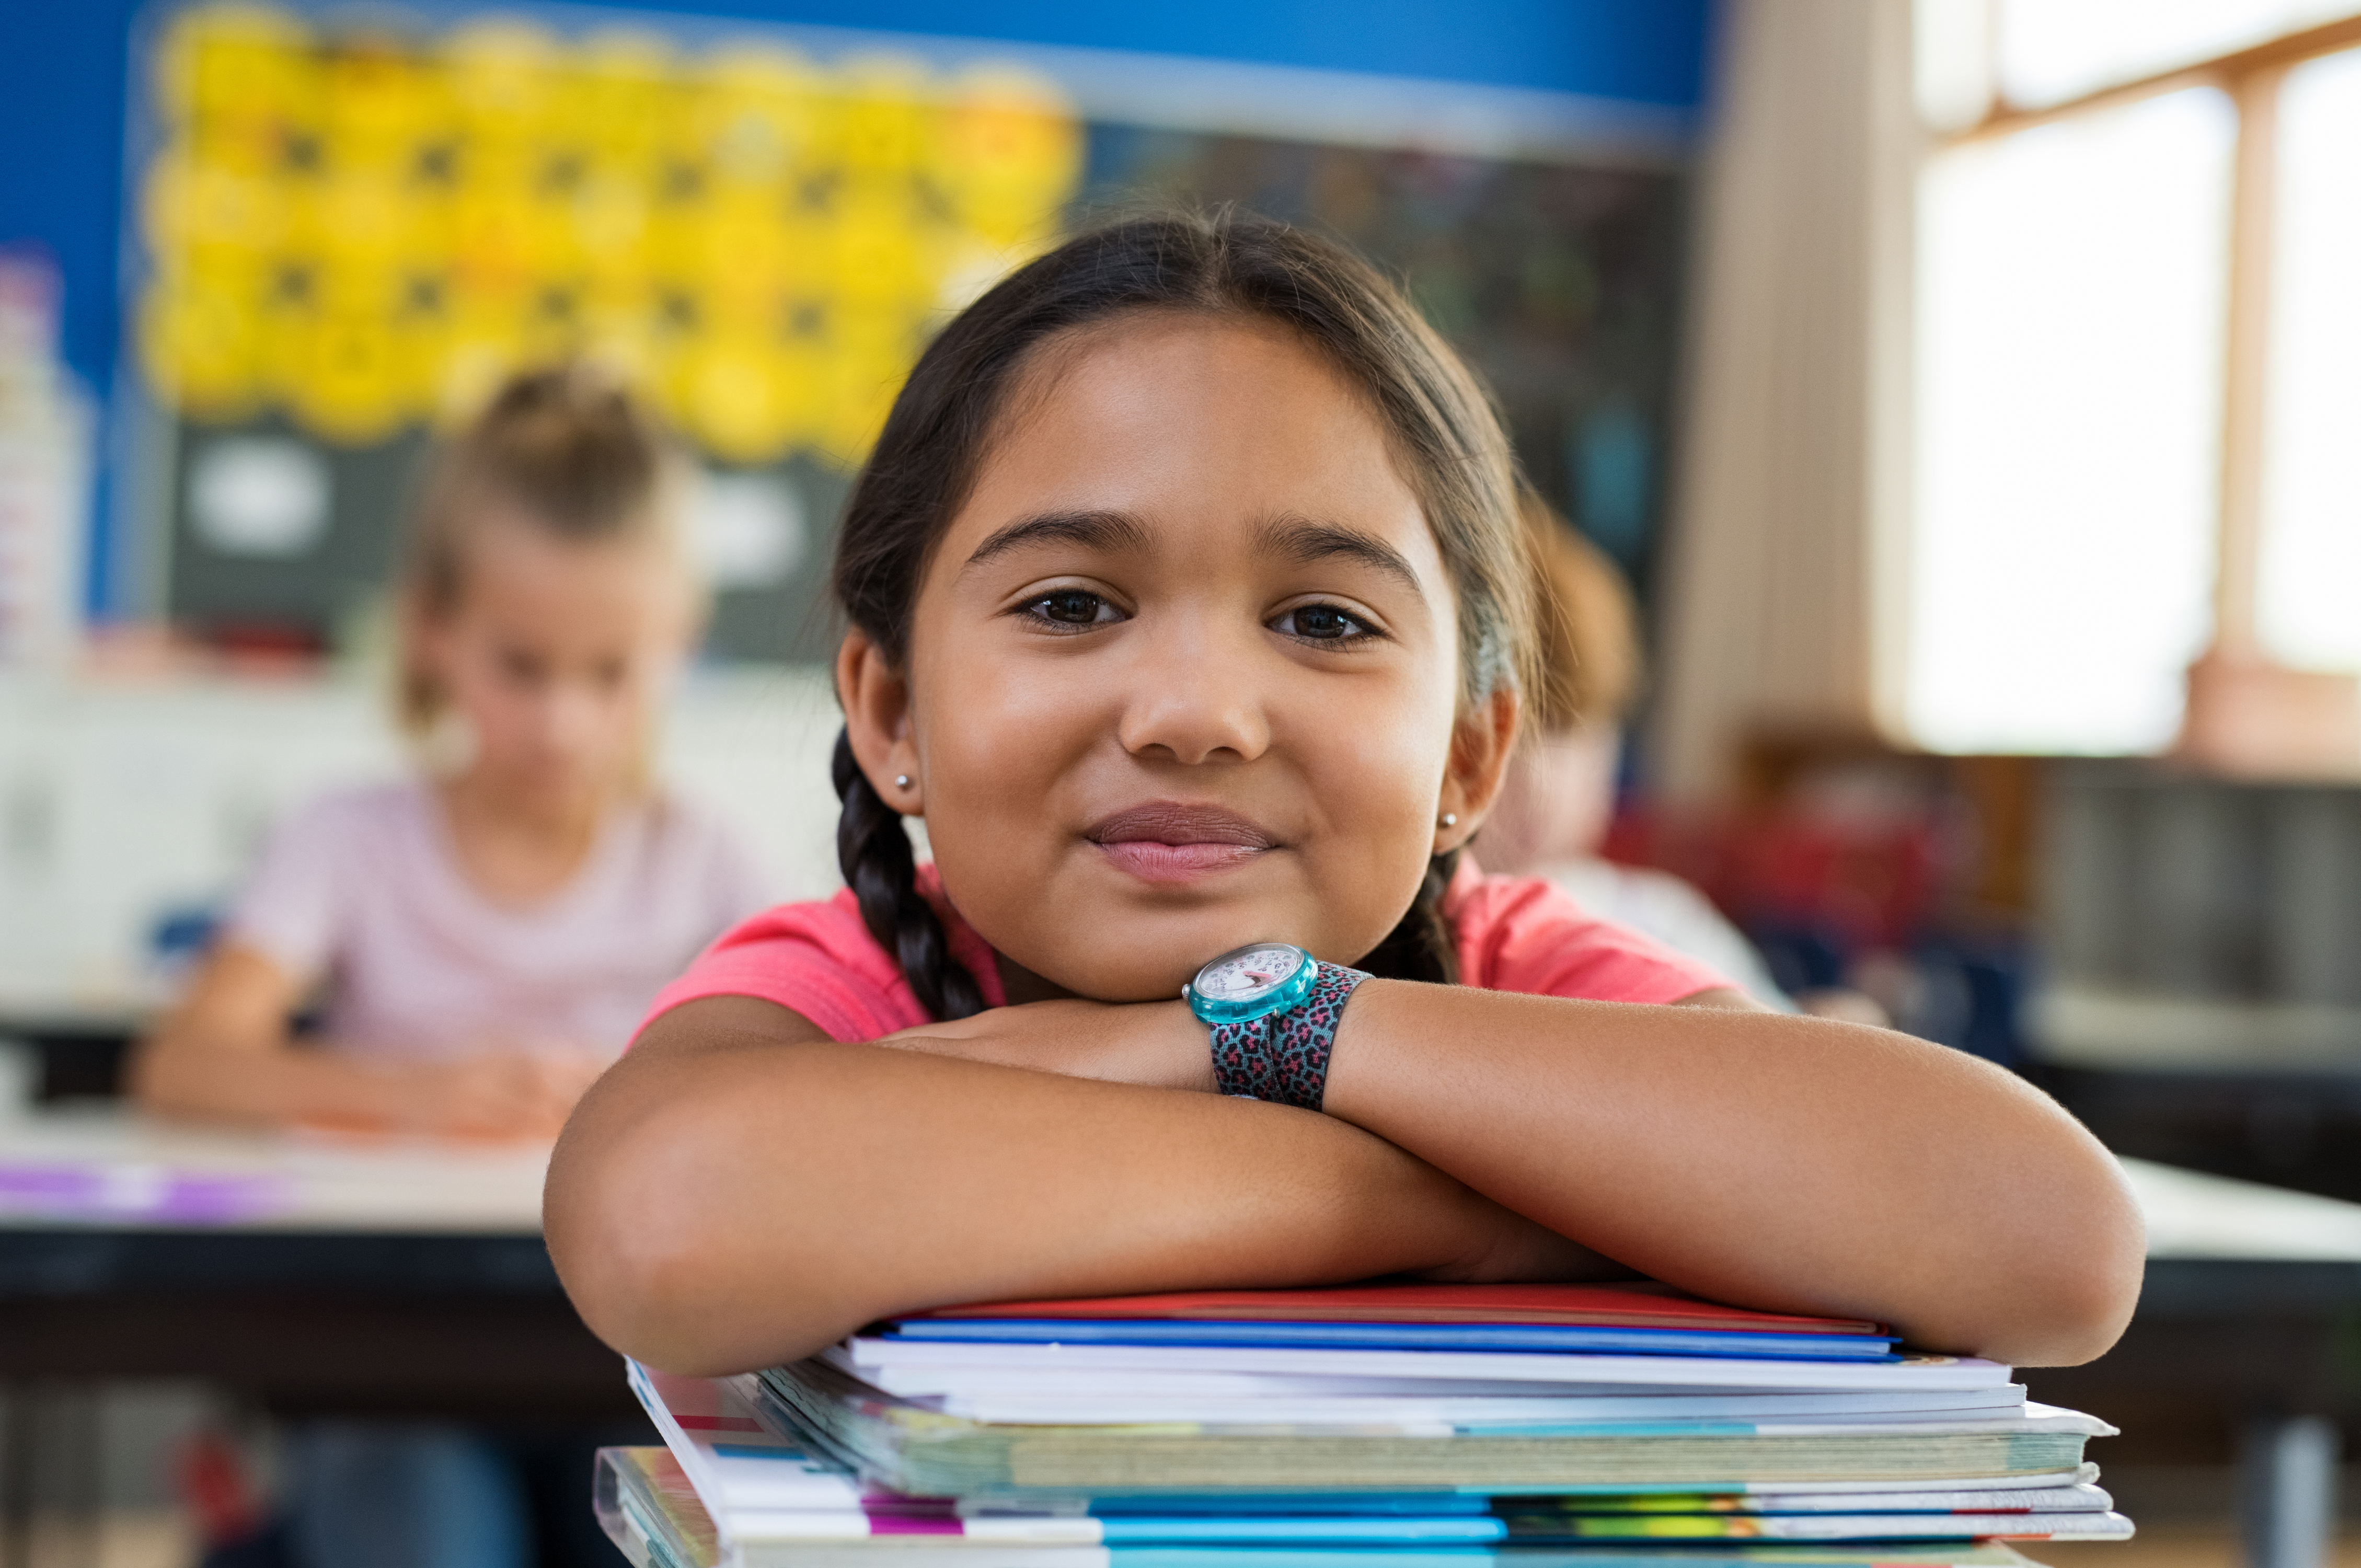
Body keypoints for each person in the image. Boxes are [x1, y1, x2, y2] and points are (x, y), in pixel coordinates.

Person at [545, 212, 2143, 1385]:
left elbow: (2047, 1240)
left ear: (1466, 757)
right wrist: (1496, 1202)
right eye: (1069, 604)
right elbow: (667, 1219)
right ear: (890, 708)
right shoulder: (850, 986)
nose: (1190, 716)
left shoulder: (1519, 965)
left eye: (1321, 621)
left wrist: (1279, 1028)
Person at [133, 365, 773, 1568]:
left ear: (676, 649)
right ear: (434, 630)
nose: (564, 722)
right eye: (521, 666)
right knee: (427, 1531)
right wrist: (409, 1095)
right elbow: (185, 1064)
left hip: (629, 1353)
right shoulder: (351, 840)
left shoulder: (706, 861)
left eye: (611, 671)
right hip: (389, 1358)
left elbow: (819, 1084)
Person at [1480, 493, 1872, 1019]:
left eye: (1567, 730)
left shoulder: (1655, 917)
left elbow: (1787, 1040)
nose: (1536, 779)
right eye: (1505, 736)